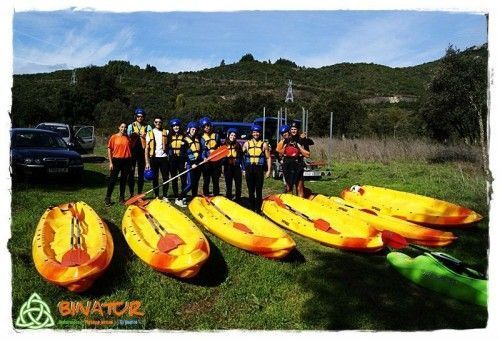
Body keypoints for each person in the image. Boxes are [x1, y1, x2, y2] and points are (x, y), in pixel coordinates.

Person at [242, 124, 271, 212]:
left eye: (257, 132)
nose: (256, 134)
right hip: (249, 168)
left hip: (259, 169)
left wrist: (269, 170)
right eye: (254, 132)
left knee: (258, 190)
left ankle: (258, 209)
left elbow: (268, 158)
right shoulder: (246, 144)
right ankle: (251, 207)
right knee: (251, 190)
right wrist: (243, 169)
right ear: (251, 133)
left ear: (260, 133)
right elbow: (241, 157)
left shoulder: (264, 144)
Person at [105, 122, 132, 206]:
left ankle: (122, 198)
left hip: (126, 161)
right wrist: (110, 162)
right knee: (112, 180)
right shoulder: (114, 137)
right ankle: (107, 198)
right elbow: (109, 149)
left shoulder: (128, 138)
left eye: (125, 127)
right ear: (119, 127)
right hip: (116, 161)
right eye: (122, 127)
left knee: (123, 181)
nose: (123, 129)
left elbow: (130, 150)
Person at [281, 121, 310, 198]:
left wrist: (299, 147)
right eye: (292, 129)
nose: (293, 131)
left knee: (299, 188)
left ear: (298, 130)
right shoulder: (286, 140)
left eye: (295, 129)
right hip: (287, 166)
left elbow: (307, 154)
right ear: (290, 130)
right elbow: (281, 153)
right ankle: (290, 205)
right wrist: (284, 150)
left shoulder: (303, 140)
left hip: (298, 165)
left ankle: (300, 205)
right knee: (289, 188)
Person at [127, 108, 152, 196]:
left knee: (141, 174)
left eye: (141, 116)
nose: (140, 118)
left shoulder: (148, 127)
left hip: (142, 152)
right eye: (138, 116)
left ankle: (139, 193)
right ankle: (131, 194)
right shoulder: (131, 126)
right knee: (131, 173)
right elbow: (128, 138)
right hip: (133, 152)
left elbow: (150, 139)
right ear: (135, 117)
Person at [145, 116, 170, 201]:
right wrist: (147, 162)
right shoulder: (150, 133)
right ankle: (156, 196)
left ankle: (165, 196)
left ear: (162, 123)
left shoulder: (166, 132)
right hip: (154, 158)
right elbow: (147, 149)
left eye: (159, 122)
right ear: (154, 123)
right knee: (155, 178)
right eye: (156, 122)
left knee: (165, 178)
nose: (158, 123)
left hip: (164, 158)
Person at [179, 121, 203, 204]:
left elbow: (200, 152)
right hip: (190, 164)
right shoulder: (185, 140)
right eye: (193, 129)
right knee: (190, 183)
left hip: (198, 164)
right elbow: (183, 154)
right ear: (189, 129)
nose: (194, 131)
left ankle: (194, 198)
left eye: (195, 129)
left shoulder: (198, 139)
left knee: (196, 183)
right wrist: (190, 162)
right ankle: (179, 198)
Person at [199, 117, 221, 196]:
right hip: (206, 161)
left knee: (215, 180)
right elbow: (201, 150)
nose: (207, 127)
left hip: (215, 161)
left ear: (210, 126)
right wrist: (204, 157)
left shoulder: (216, 136)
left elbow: (219, 147)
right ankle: (206, 195)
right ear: (202, 128)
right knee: (206, 180)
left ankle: (216, 195)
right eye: (204, 126)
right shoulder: (201, 138)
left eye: (208, 126)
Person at [168, 118, 187, 207]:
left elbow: (187, 149)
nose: (176, 127)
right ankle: (176, 196)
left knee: (183, 178)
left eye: (177, 126)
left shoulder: (184, 136)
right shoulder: (169, 137)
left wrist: (187, 160)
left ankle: (183, 196)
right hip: (172, 160)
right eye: (174, 126)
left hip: (181, 159)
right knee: (174, 178)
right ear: (172, 127)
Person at [223, 128, 243, 201]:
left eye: (234, 135)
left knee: (238, 183)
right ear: (228, 135)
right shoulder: (224, 145)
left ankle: (238, 198)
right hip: (227, 166)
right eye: (231, 135)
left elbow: (241, 156)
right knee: (228, 184)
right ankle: (228, 197)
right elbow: (221, 157)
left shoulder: (238, 145)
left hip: (236, 167)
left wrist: (240, 165)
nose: (233, 137)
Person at [276, 124, 291, 193]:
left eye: (285, 132)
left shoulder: (294, 140)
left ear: (289, 132)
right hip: (285, 162)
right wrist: (280, 160)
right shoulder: (281, 143)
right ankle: (287, 191)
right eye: (283, 134)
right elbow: (276, 153)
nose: (284, 134)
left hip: (294, 162)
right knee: (287, 180)